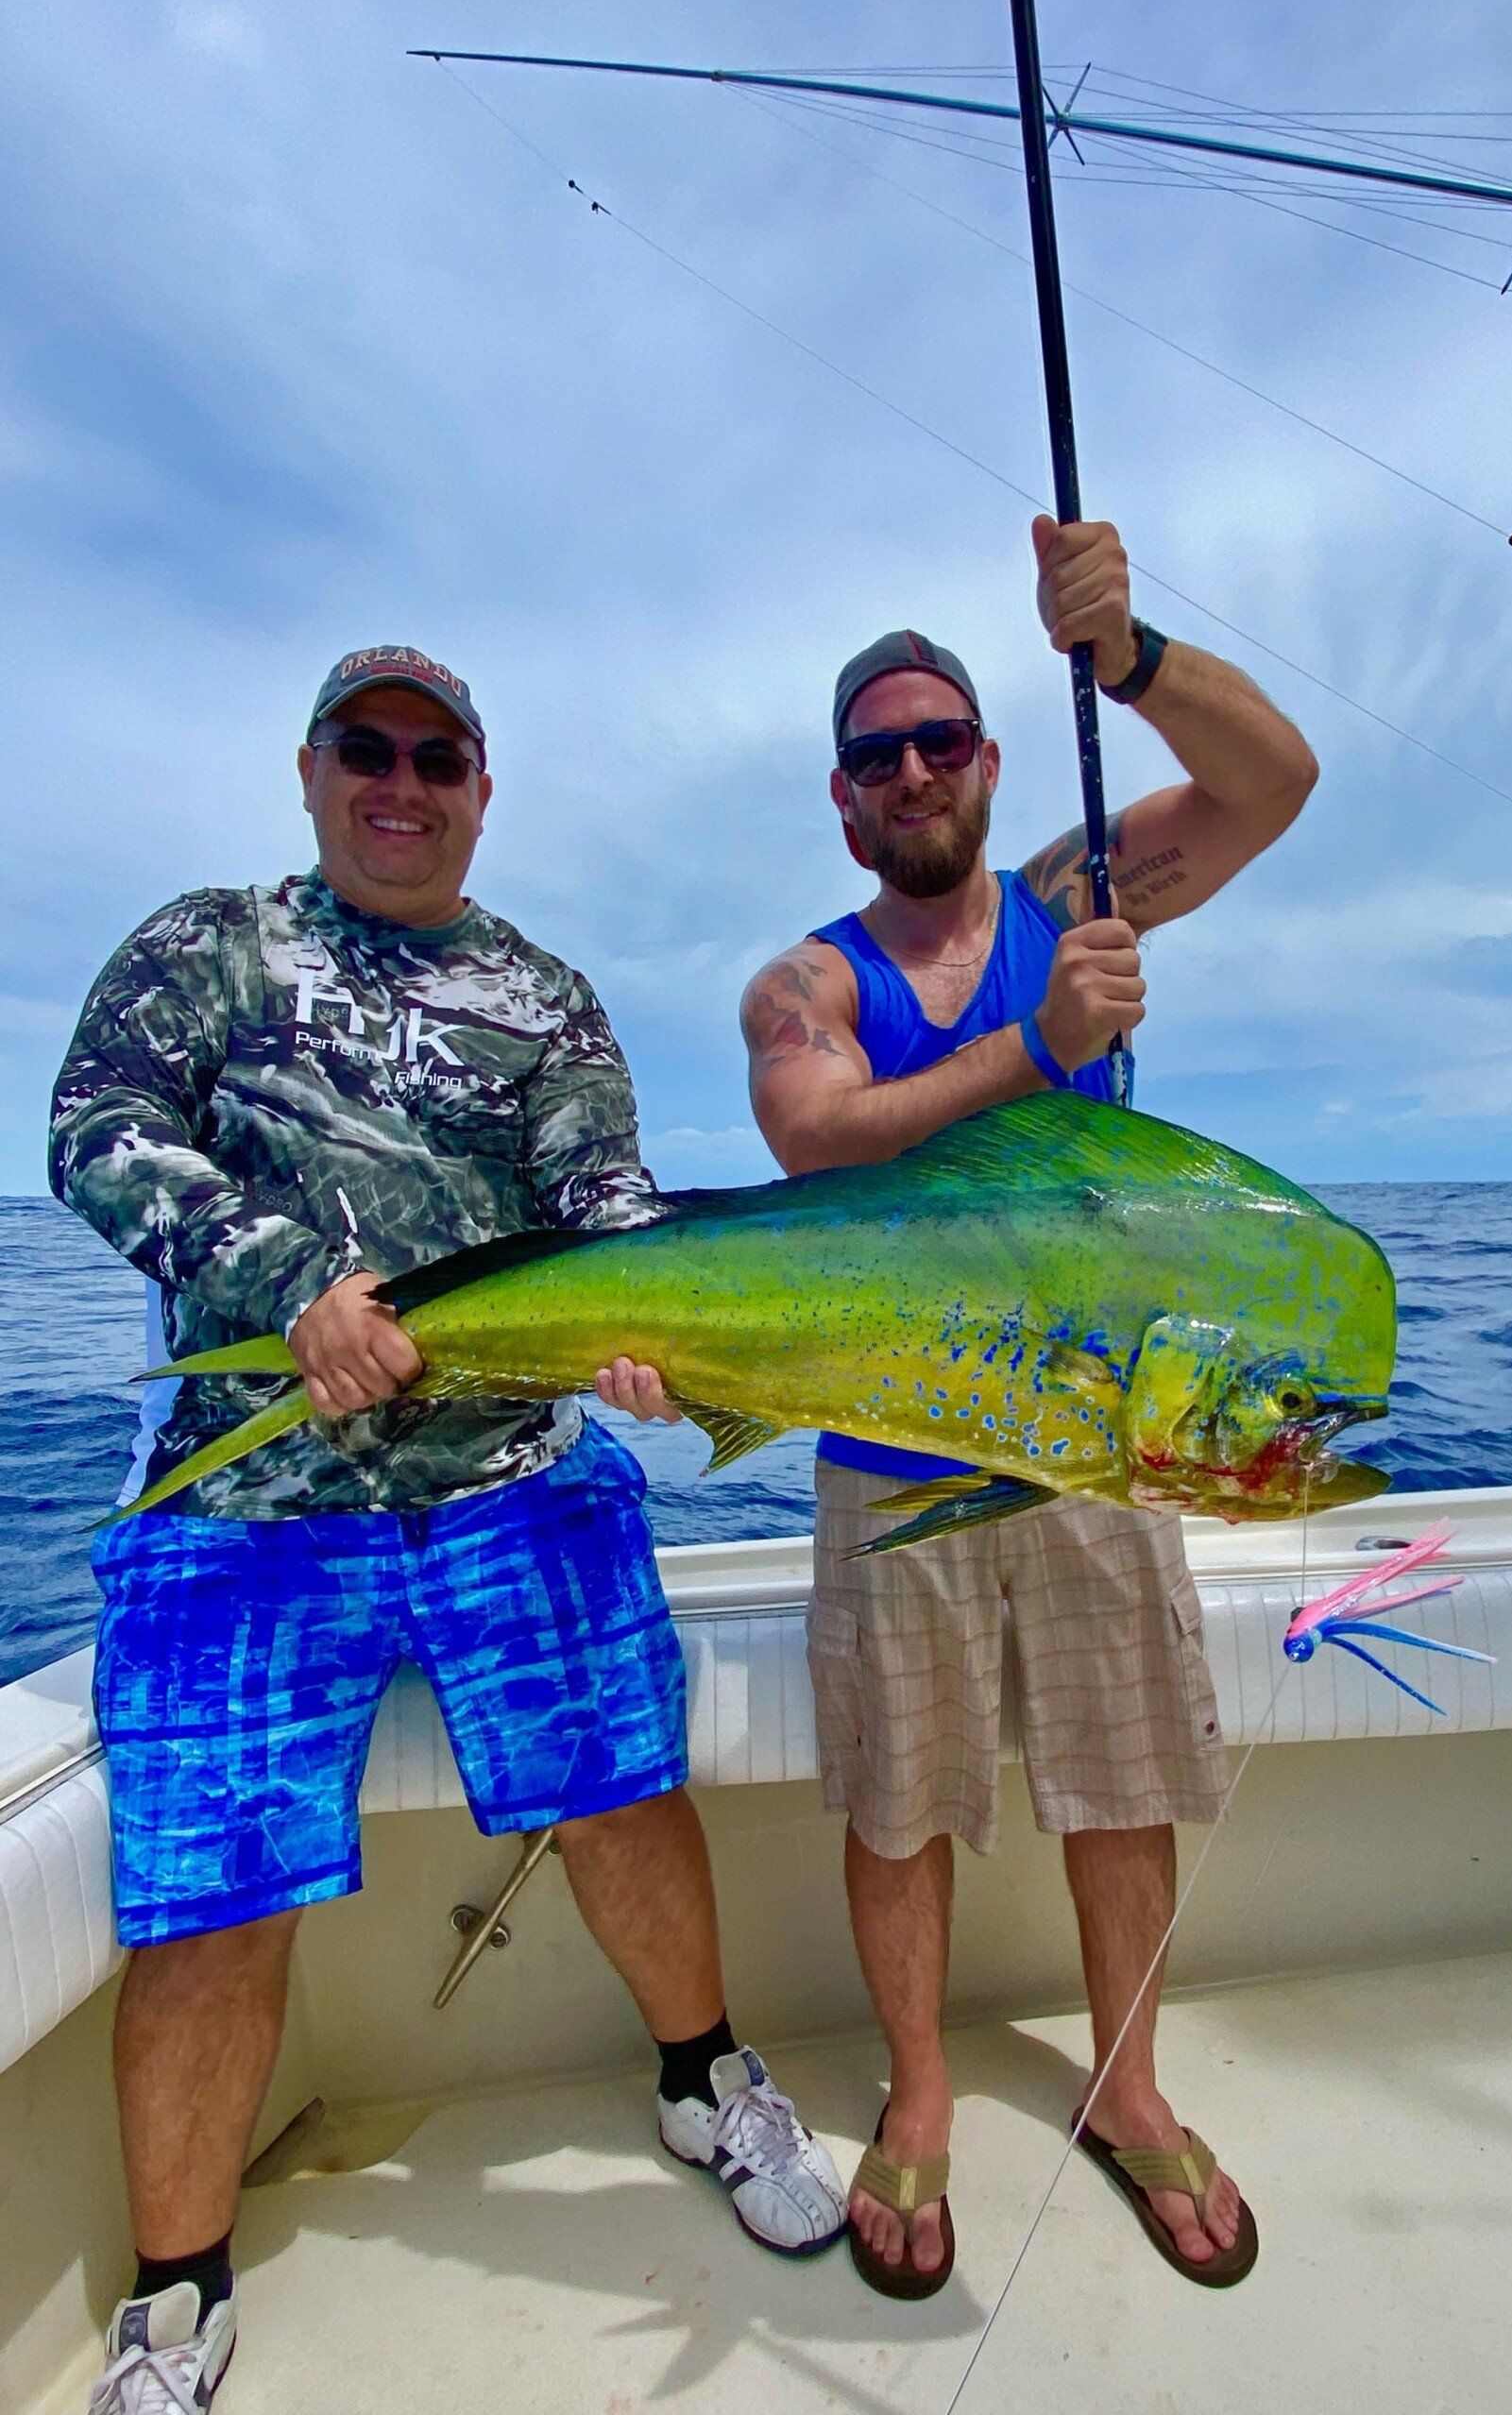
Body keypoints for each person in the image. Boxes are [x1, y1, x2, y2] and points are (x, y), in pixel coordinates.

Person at [51, 646, 844, 2415]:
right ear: (314, 768)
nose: (400, 783)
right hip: (251, 1497)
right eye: (368, 750)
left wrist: (660, 1335)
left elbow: (606, 1207)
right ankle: (178, 2294)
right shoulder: (204, 949)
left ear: (483, 786)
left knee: (627, 1787)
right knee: (211, 1897)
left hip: (513, 1475)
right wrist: (290, 1281)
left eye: (439, 757)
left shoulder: (546, 995)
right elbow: (95, 1131)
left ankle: (701, 2082)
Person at [738, 519, 1318, 2297]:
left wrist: (1130, 653)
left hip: (1090, 1441)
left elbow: (1273, 783)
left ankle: (1126, 2088)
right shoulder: (808, 982)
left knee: (1123, 1781)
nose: (911, 771)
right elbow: (815, 1134)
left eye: (940, 740)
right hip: (891, 1461)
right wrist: (1040, 1049)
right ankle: (918, 2097)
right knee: (899, 1802)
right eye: (875, 757)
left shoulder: (1081, 894)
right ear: (845, 806)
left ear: (989, 762)